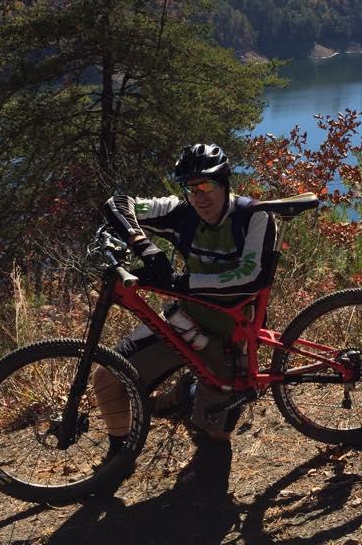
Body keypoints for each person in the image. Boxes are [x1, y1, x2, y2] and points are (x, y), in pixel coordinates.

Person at [93, 143, 276, 460]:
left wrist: (182, 282)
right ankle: (118, 458)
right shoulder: (182, 212)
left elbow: (250, 278)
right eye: (192, 188)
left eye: (207, 186)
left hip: (230, 336)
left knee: (216, 434)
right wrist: (144, 246)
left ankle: (186, 391)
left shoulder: (254, 217)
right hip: (184, 322)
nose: (200, 197)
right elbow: (119, 204)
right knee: (107, 377)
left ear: (225, 182)